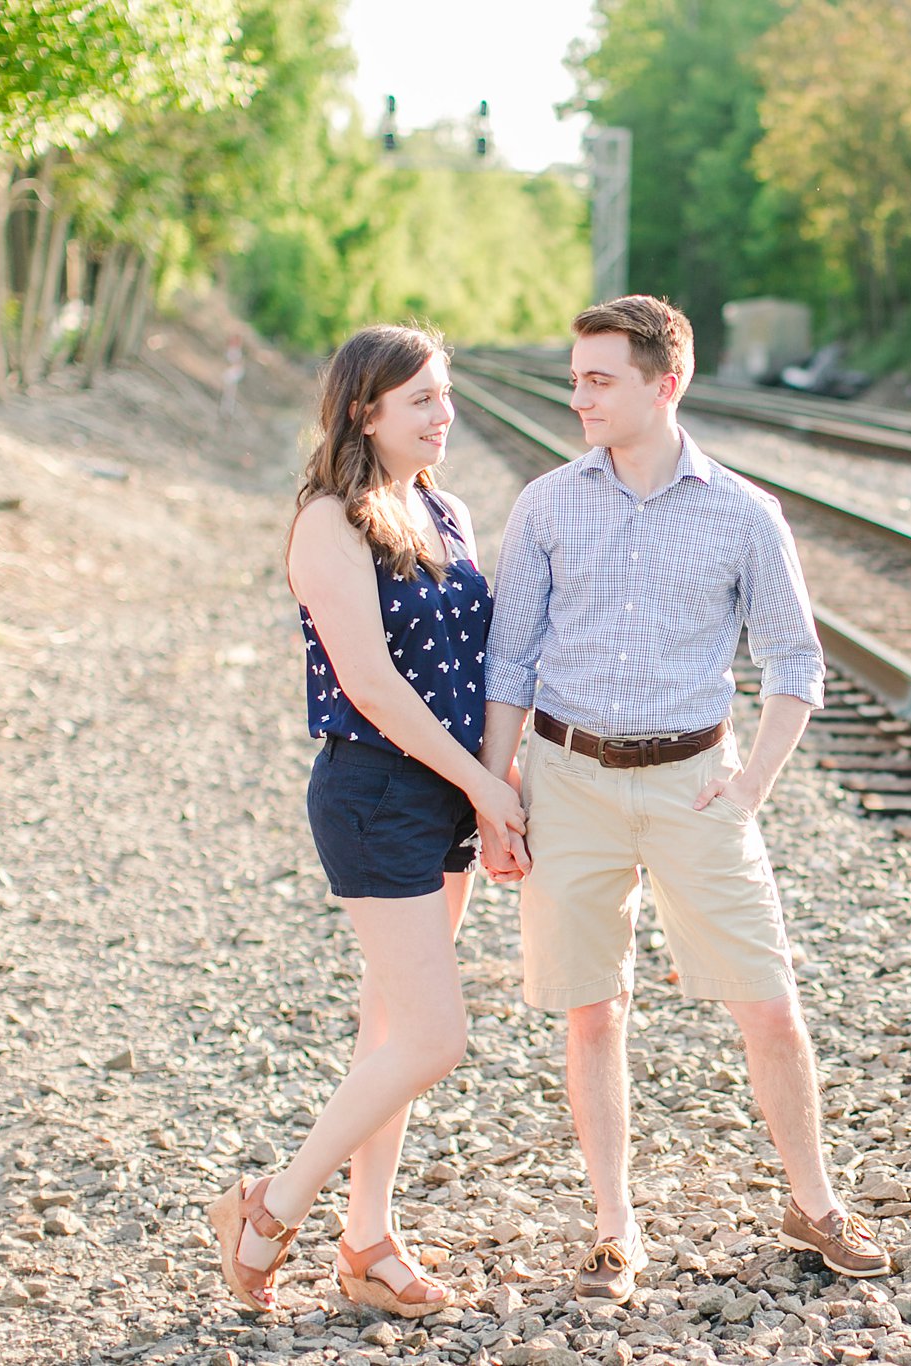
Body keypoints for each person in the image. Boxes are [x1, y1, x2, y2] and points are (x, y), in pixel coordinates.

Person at [478, 295, 892, 1306]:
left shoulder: (743, 514)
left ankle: (814, 1201)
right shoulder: (545, 504)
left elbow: (795, 663)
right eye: (576, 376)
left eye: (598, 379)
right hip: (566, 778)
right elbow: (509, 662)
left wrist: (748, 786)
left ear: (665, 384)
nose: (577, 395)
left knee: (769, 1002)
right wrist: (498, 795)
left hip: (692, 781)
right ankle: (614, 1230)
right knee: (593, 1011)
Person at [209, 323, 529, 1316]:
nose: (444, 415)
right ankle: (269, 1206)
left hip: (446, 793)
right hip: (375, 792)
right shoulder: (328, 521)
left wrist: (493, 786)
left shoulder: (449, 509)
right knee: (433, 1036)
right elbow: (378, 688)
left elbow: (477, 673)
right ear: (364, 409)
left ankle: (367, 1241)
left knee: (389, 1029)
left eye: (445, 394)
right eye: (422, 399)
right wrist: (486, 787)